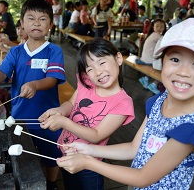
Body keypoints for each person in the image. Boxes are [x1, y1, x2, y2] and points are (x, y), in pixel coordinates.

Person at [56, 18, 194, 189]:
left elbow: (143, 177)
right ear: (162, 62)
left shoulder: (193, 128)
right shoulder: (160, 100)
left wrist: (87, 162)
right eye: (175, 60)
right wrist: (88, 150)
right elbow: (134, 148)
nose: (183, 72)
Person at [0, 0, 65, 190]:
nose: (36, 23)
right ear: (22, 23)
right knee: (22, 155)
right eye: (31, 18)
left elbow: (52, 79)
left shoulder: (54, 51)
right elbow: (3, 73)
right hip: (19, 117)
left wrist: (35, 84)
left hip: (48, 117)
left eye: (43, 19)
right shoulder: (16, 52)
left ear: (51, 24)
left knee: (52, 155)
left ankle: (52, 184)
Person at [39, 38, 135, 190]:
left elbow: (96, 135)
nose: (97, 72)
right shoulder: (87, 83)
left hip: (90, 164)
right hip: (66, 150)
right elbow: (71, 104)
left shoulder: (122, 103)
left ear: (118, 58)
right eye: (90, 69)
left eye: (102, 62)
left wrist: (64, 122)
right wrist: (60, 111)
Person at [137, 19, 167, 95]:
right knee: (164, 68)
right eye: (157, 26)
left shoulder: (151, 34)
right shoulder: (158, 36)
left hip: (145, 58)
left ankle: (145, 79)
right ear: (153, 26)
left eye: (161, 26)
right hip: (149, 60)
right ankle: (154, 84)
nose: (159, 28)